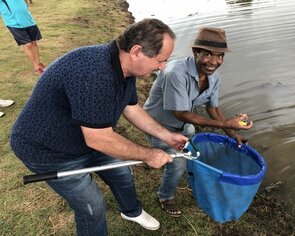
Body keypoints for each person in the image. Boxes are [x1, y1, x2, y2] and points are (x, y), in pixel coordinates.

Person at [10, 18, 188, 235]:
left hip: (86, 139)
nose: (162, 67)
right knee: (92, 207)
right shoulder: (94, 75)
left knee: (122, 174)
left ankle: (131, 211)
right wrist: (148, 154)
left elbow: (131, 108)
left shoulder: (125, 68)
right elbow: (99, 139)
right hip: (48, 149)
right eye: (161, 60)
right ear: (136, 51)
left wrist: (167, 136)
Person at [143, 27, 253, 217]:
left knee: (192, 152)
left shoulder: (213, 76)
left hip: (185, 125)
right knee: (177, 164)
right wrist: (227, 124)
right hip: (158, 125)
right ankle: (165, 196)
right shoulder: (174, 73)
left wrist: (234, 134)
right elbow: (181, 113)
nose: (214, 62)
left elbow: (212, 108)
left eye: (220, 56)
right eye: (208, 54)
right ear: (196, 52)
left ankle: (188, 176)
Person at [0, 0, 45, 75]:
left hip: (29, 21)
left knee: (34, 42)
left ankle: (39, 64)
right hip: (14, 24)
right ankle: (35, 66)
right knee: (28, 44)